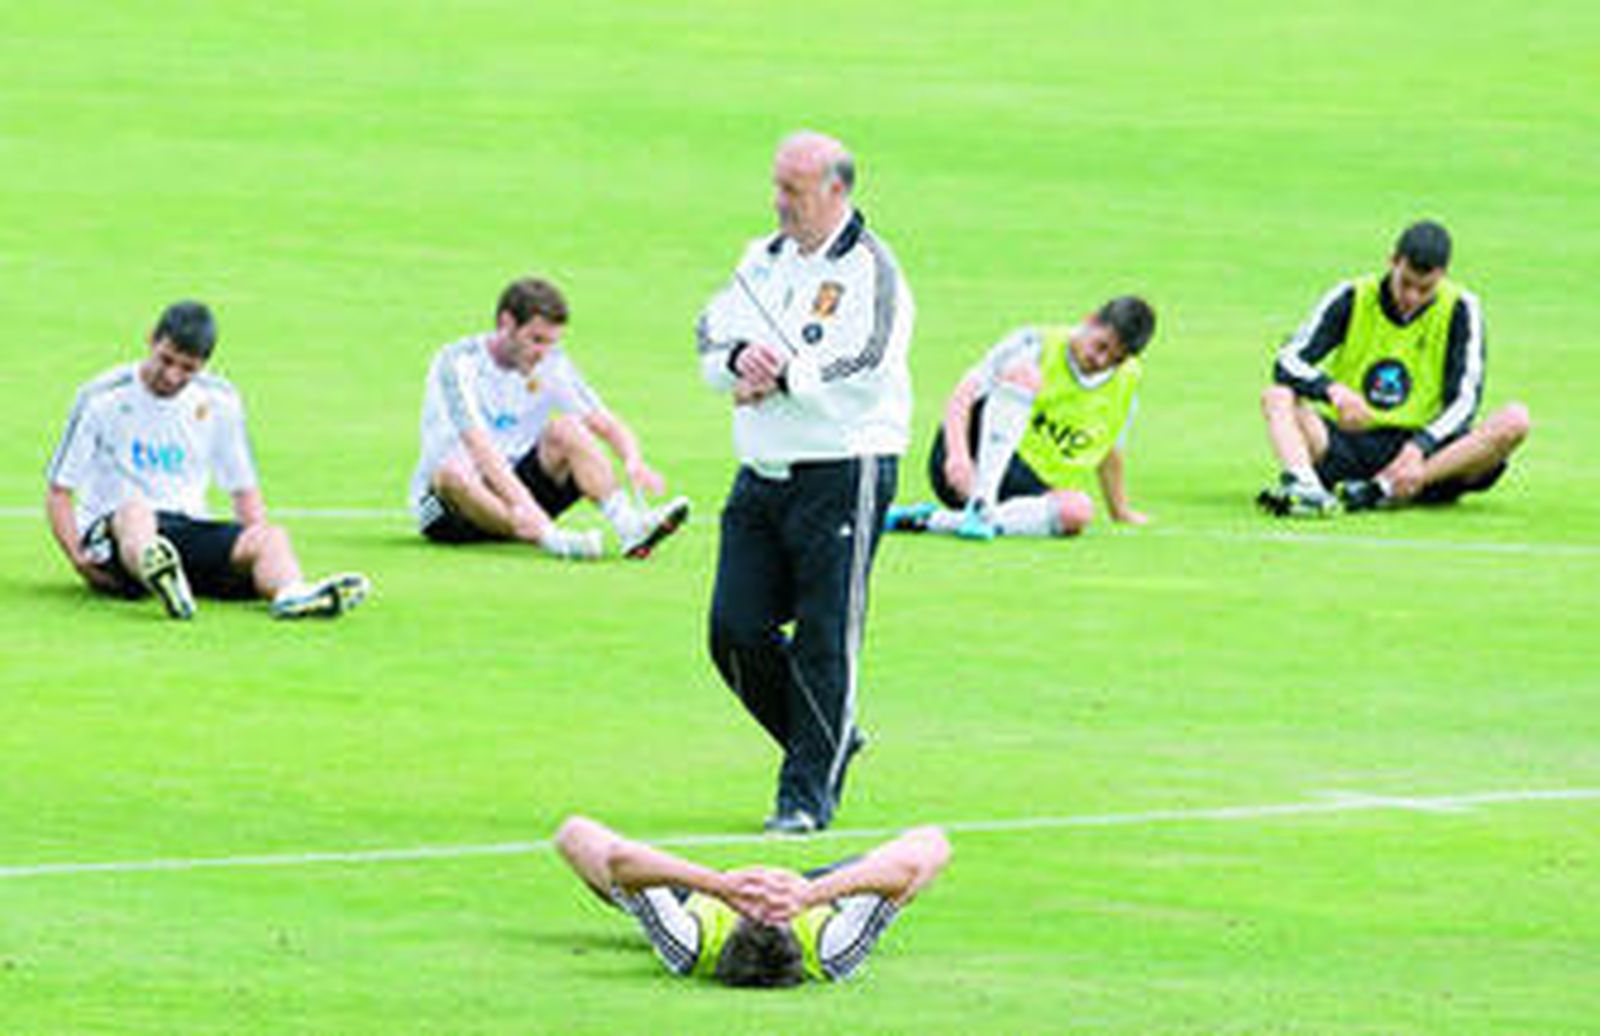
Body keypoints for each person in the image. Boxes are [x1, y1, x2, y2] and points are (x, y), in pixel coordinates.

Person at [697, 130, 915, 834]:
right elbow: (709, 335)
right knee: (733, 631)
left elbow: (870, 358)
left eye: (792, 190)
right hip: (761, 469)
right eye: (777, 186)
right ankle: (829, 737)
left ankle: (804, 799)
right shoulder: (759, 260)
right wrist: (738, 362)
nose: (779, 203)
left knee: (826, 635)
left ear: (836, 191)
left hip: (842, 467)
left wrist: (785, 374)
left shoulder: (871, 271)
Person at [45, 301, 369, 621]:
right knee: (135, 512)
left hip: (186, 527)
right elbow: (59, 490)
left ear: (204, 365)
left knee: (271, 538)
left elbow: (243, 489)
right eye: (166, 360)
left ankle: (291, 595)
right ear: (151, 340)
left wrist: (250, 545)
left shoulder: (220, 401)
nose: (172, 377)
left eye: (187, 369)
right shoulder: (103, 396)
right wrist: (78, 558)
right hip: (115, 533)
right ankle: (156, 570)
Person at [1257, 220, 1531, 517]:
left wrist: (1419, 447)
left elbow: (1465, 400)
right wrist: (1332, 391)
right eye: (1405, 283)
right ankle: (1308, 489)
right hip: (1349, 442)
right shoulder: (1353, 295)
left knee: (1515, 420)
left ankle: (1381, 489)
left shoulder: (1462, 308)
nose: (1412, 297)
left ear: (1443, 274)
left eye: (1425, 288)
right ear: (1392, 261)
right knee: (1277, 396)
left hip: (1427, 457)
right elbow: (1288, 360)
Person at [410, 276, 689, 559]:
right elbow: (480, 450)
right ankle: (551, 538)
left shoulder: (552, 362)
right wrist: (532, 514)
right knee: (453, 471)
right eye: (536, 340)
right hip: (454, 509)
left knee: (567, 428)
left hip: (517, 496)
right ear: (506, 324)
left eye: (551, 342)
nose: (543, 352)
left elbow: (603, 421)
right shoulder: (457, 363)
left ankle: (629, 526)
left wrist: (633, 460)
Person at [554, 814, 950, 987]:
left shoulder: (689, 945)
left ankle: (671, 894)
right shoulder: (832, 950)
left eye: (753, 911)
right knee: (919, 852)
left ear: (731, 928)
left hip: (698, 895)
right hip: (821, 891)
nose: (764, 898)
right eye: (773, 911)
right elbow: (929, 847)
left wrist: (718, 887)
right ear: (795, 929)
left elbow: (612, 856)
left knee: (578, 843)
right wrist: (810, 894)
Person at [883, 297, 1157, 540]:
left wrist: (1120, 511)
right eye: (1101, 346)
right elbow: (962, 396)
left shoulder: (1126, 381)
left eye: (1115, 358)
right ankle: (982, 500)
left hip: (1027, 486)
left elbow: (1110, 446)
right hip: (971, 461)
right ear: (1090, 320)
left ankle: (933, 520)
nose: (1101, 360)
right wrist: (957, 456)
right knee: (1024, 376)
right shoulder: (1034, 343)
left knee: (1078, 510)